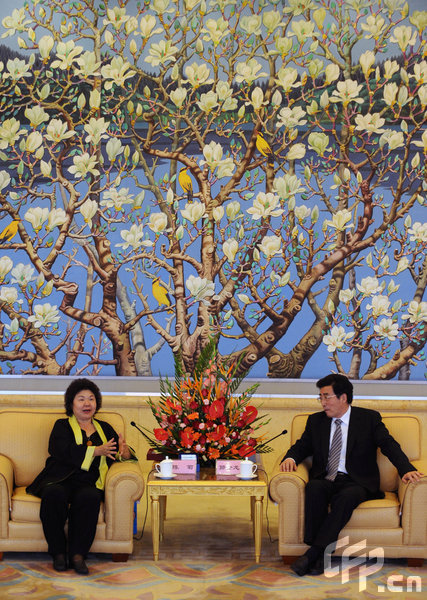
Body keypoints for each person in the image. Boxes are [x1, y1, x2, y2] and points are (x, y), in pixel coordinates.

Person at [281, 374, 424, 577]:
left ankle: (314, 552)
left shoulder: (368, 419)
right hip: (327, 478)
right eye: (320, 398)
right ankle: (320, 556)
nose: (322, 403)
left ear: (343, 397)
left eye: (327, 397)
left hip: (357, 481)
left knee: (346, 497)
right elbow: (301, 446)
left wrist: (406, 468)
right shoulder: (316, 422)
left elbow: (389, 445)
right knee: (313, 487)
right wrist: (291, 458)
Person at [26, 378, 135, 575]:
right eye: (81, 399)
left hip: (89, 481)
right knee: (53, 494)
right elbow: (60, 450)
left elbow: (115, 454)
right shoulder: (61, 426)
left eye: (91, 399)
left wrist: (124, 452)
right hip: (60, 478)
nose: (87, 404)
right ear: (71, 404)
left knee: (90, 497)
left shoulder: (105, 428)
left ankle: (78, 555)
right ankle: (58, 552)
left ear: (97, 403)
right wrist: (94, 451)